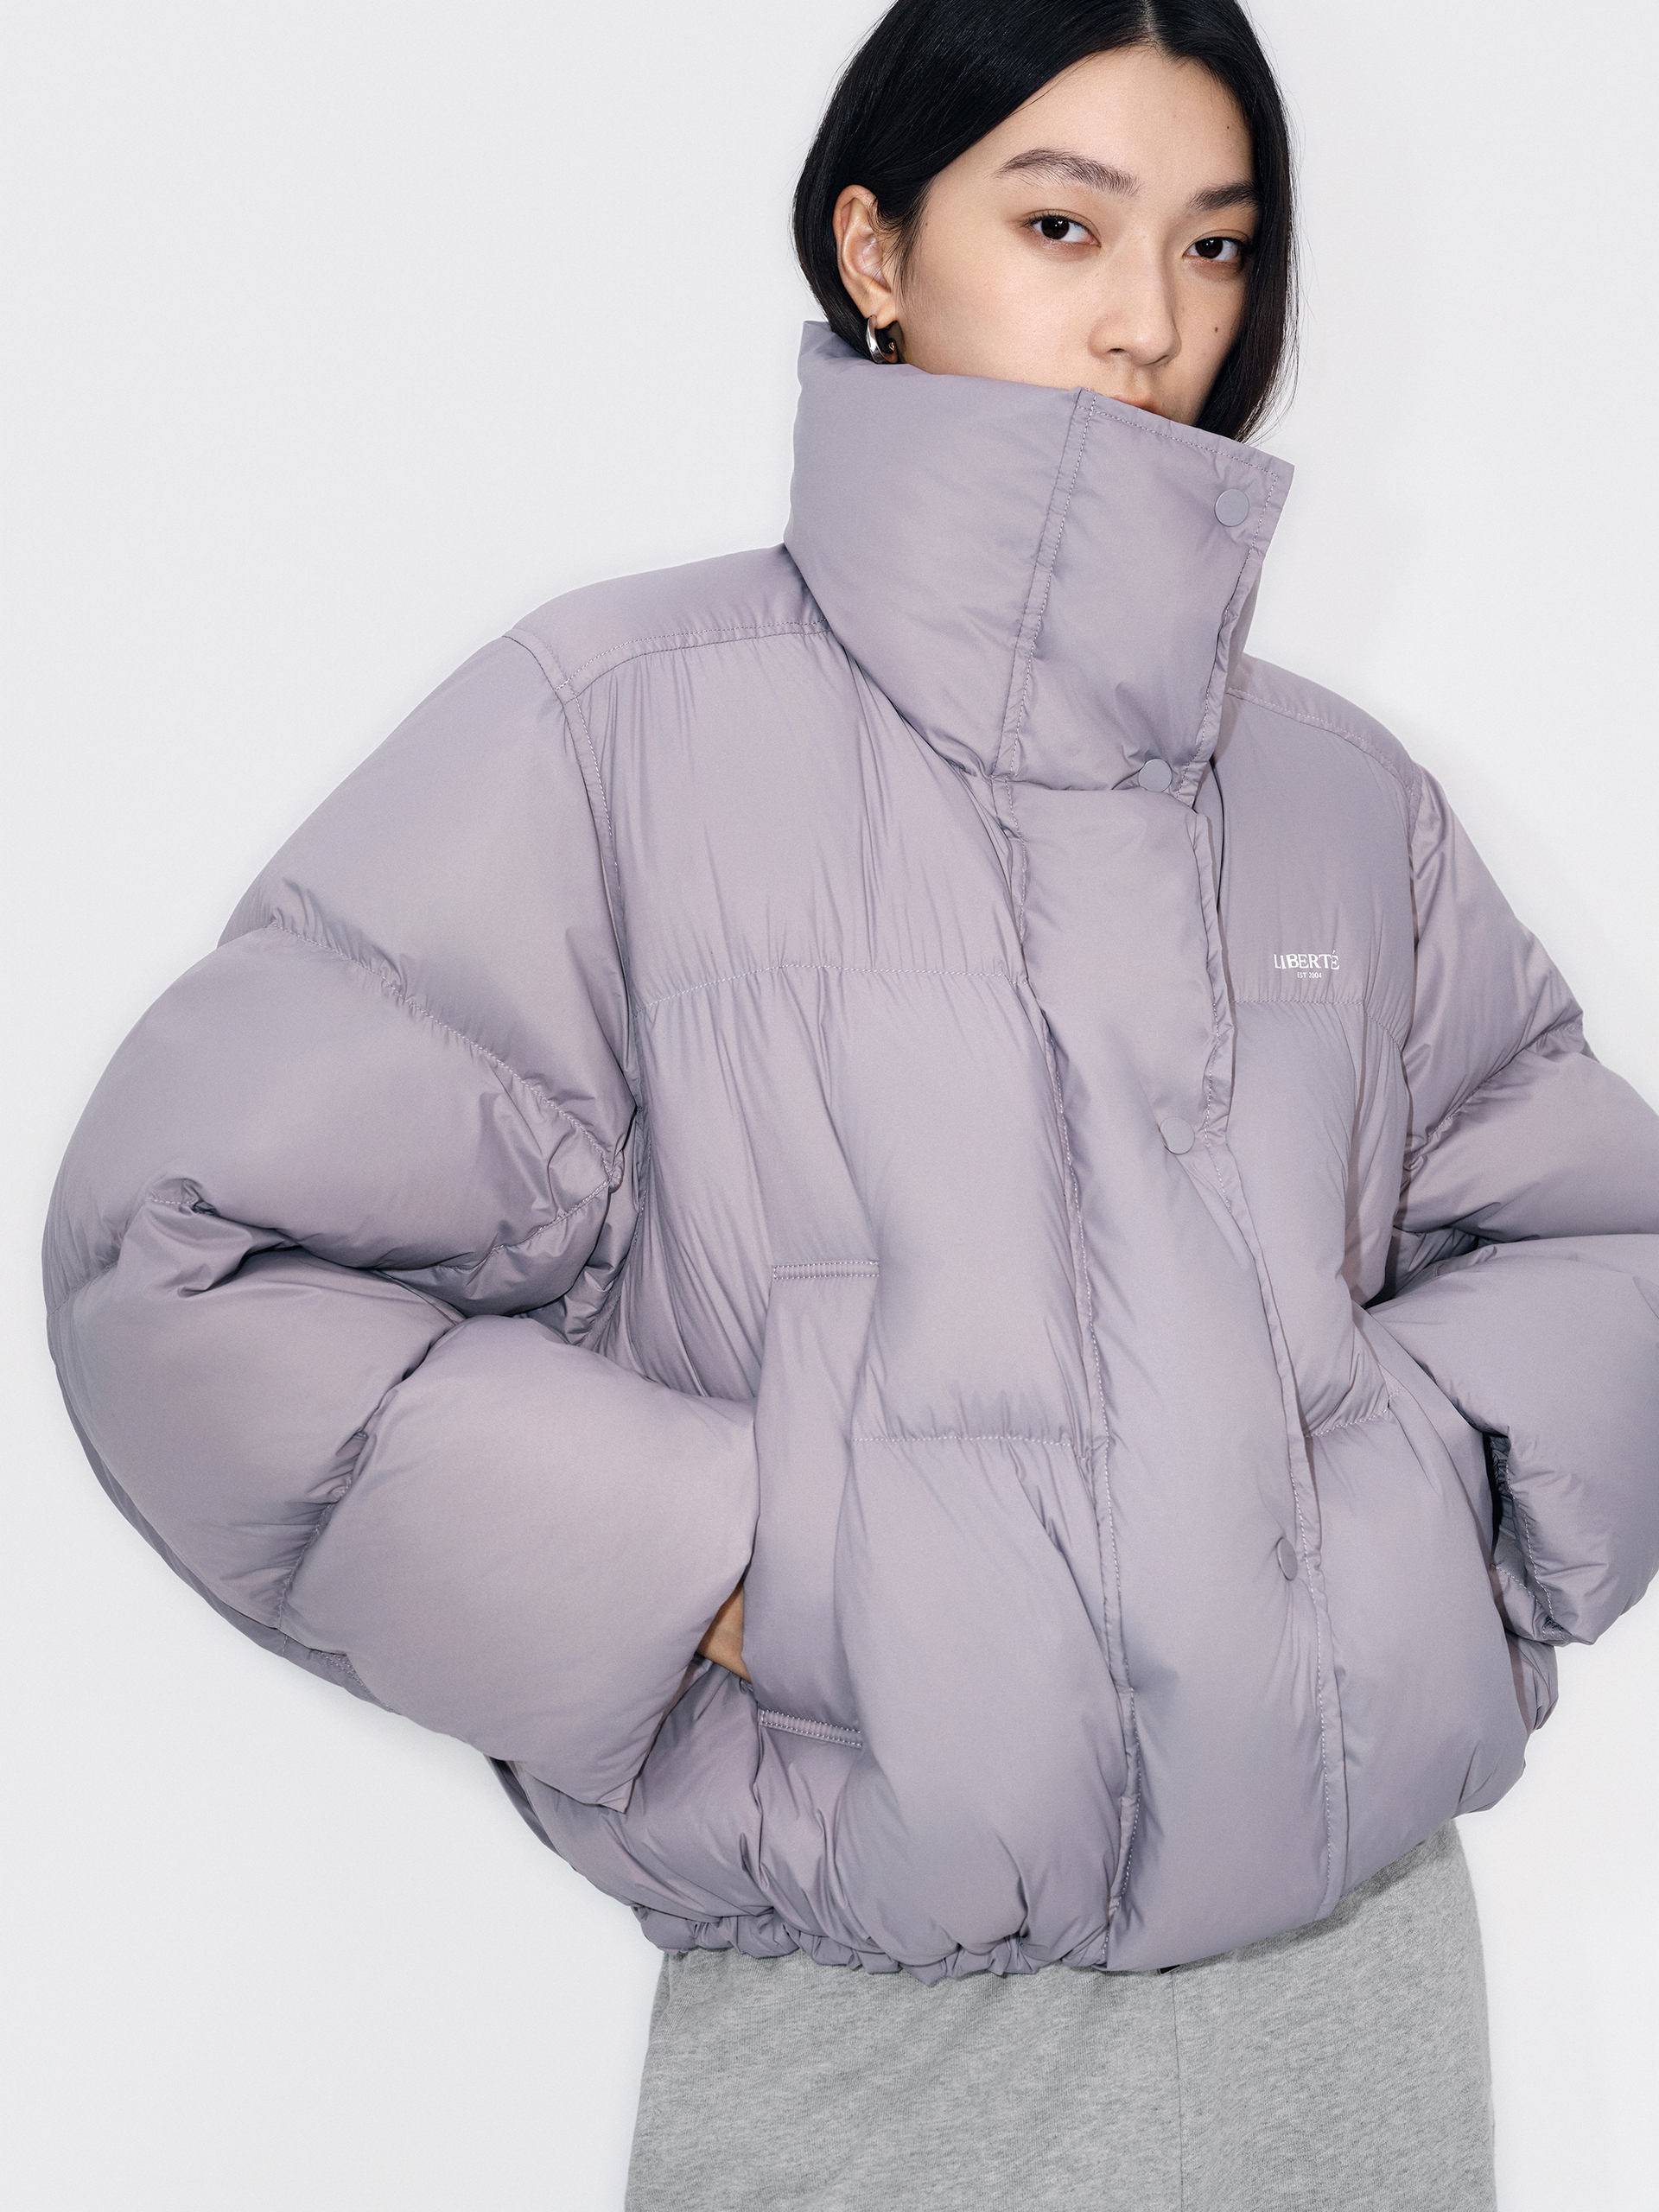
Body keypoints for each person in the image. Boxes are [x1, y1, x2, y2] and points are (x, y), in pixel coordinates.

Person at [39, 3, 1659, 2208]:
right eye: (1064, 223)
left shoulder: (1339, 801)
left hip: (1346, 2003)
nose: (1149, 318)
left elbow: (1585, 1239)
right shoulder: (616, 733)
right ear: (874, 247)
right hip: (873, 2040)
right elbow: (192, 1259)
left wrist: (1384, 1542)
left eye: (1213, 244)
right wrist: (733, 1561)